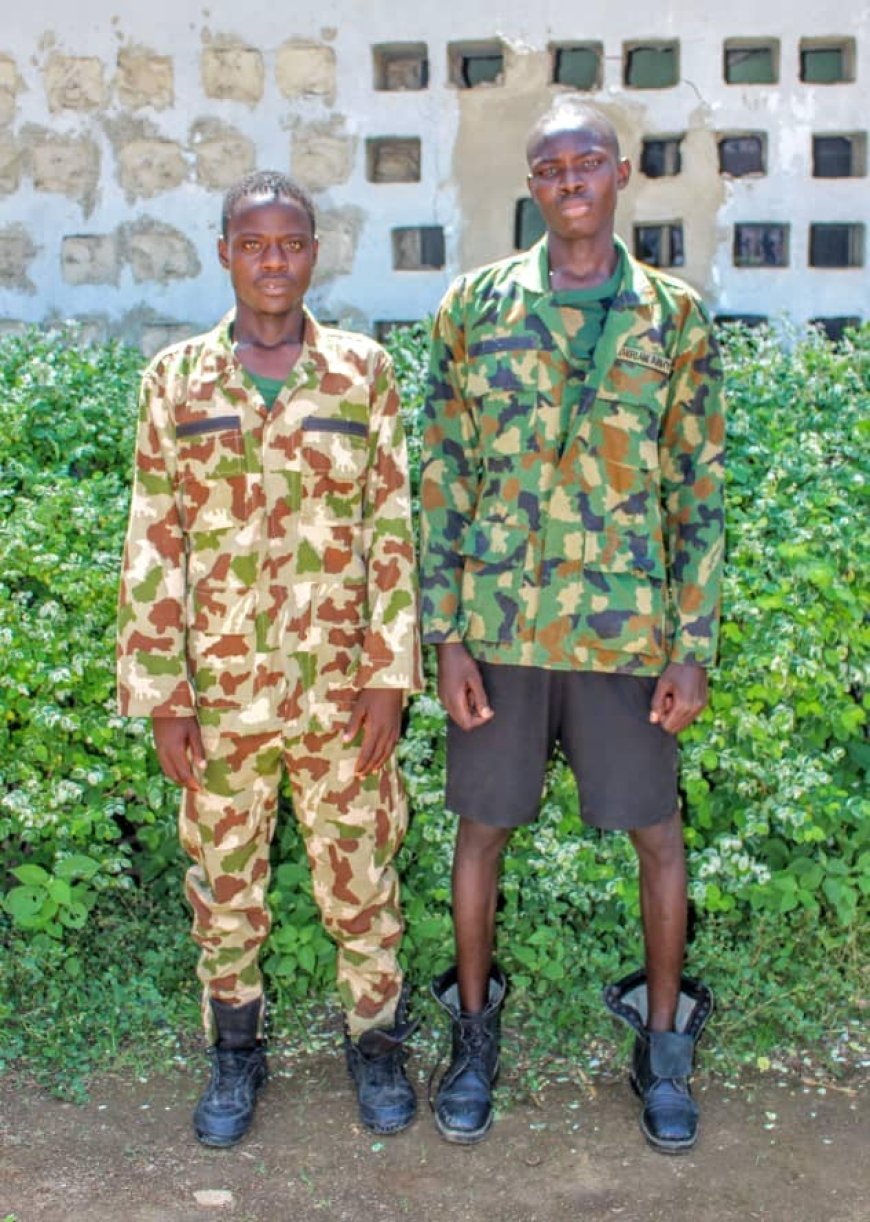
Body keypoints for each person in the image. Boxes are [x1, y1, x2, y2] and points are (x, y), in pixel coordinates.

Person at [419, 101, 724, 1152]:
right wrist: (444, 634)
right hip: (501, 629)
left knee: (656, 833)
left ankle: (665, 1046)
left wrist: (694, 643)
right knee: (482, 829)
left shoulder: (673, 317)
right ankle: (471, 1035)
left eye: (588, 160)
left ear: (623, 172)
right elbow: (443, 478)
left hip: (627, 632)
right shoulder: (473, 307)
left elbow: (697, 486)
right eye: (551, 166)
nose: (571, 179)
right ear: (533, 184)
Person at [117, 170, 422, 1148]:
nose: (274, 262)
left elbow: (392, 529)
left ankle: (376, 1047)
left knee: (363, 877)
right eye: (254, 244)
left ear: (314, 253)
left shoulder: (362, 373)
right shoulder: (176, 380)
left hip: (339, 692)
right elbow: (153, 538)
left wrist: (389, 675)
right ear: (225, 253)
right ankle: (233, 1054)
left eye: (290, 243)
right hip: (219, 696)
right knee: (223, 886)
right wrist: (163, 693)